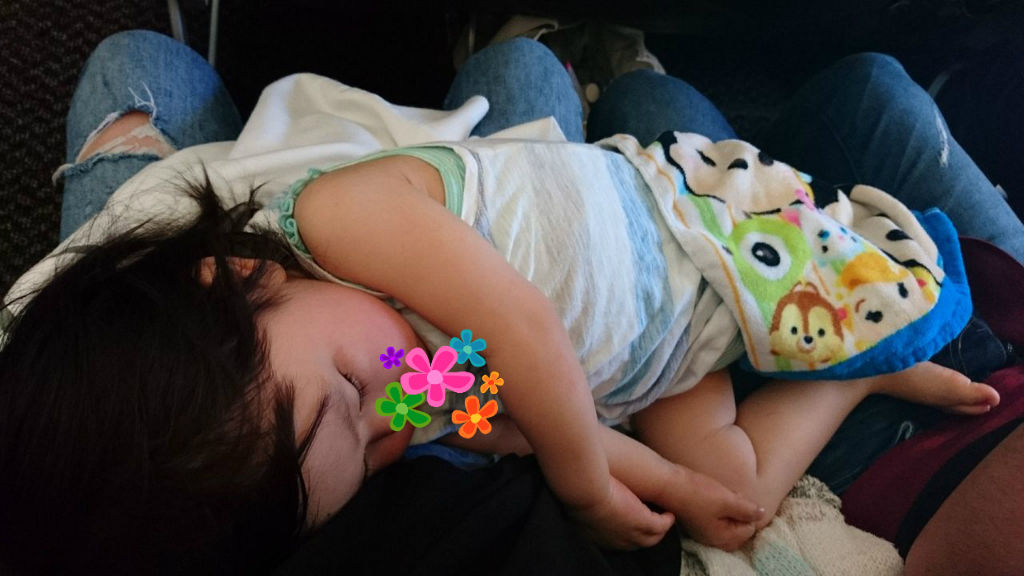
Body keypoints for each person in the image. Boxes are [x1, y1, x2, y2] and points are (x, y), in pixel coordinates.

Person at [0, 29, 1013, 574]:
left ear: (235, 275)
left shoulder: (343, 222)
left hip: (689, 241)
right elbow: (512, 423)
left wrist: (585, 482)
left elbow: (523, 333)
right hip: (662, 354)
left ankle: (551, 49)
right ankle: (851, 380)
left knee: (851, 279)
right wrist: (650, 477)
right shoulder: (373, 385)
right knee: (729, 494)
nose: (393, 421)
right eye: (371, 459)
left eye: (352, 397)